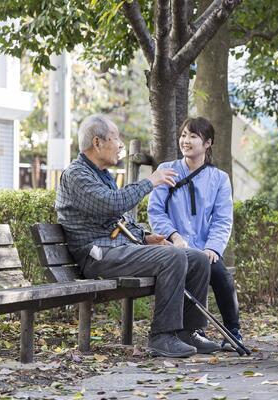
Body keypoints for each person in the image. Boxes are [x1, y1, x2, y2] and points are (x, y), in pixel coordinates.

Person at [56, 114, 221, 358]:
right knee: (173, 257)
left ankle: (189, 331)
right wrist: (149, 183)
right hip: (97, 255)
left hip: (114, 250)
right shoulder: (76, 174)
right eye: (116, 138)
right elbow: (110, 204)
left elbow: (116, 219)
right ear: (98, 142)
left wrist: (145, 237)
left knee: (196, 258)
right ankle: (162, 337)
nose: (120, 144)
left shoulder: (101, 174)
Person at [148, 117, 242, 350]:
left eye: (192, 136)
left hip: (203, 246)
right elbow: (156, 211)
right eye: (183, 135)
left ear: (207, 143)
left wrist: (212, 248)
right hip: (173, 247)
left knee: (222, 277)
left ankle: (233, 331)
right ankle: (185, 333)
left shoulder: (219, 179)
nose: (186, 141)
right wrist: (174, 236)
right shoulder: (166, 171)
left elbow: (222, 219)